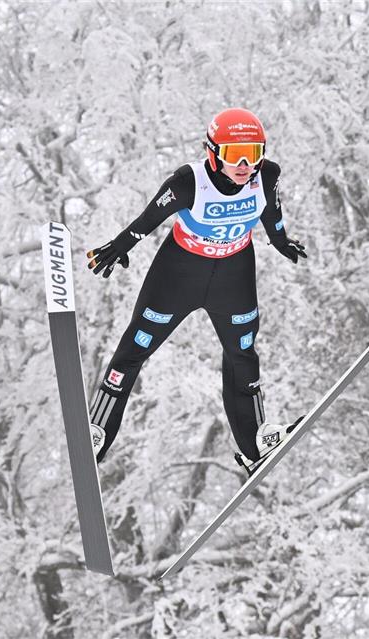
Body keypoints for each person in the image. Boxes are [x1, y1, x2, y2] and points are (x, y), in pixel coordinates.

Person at [86, 108, 306, 476]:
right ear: (213, 153)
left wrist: (281, 241)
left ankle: (255, 442)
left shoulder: (266, 175)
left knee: (242, 354)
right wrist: (119, 246)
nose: (245, 165)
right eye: (235, 155)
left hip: (233, 275)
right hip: (179, 274)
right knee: (134, 348)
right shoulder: (189, 182)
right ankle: (97, 432)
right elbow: (148, 220)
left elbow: (272, 211)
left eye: (253, 154)